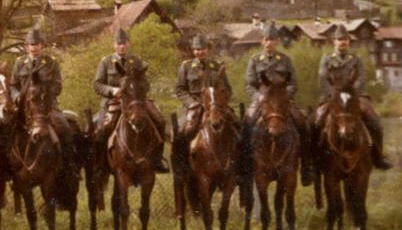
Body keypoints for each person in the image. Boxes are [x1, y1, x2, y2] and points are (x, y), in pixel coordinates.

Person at [245, 24, 313, 184]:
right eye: (266, 39)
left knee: (302, 122)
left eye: (273, 40)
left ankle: (306, 168)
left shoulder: (285, 60)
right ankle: (245, 168)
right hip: (261, 101)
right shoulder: (254, 60)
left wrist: (284, 96)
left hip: (282, 101)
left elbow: (293, 83)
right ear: (262, 41)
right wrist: (260, 97)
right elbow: (250, 84)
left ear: (277, 42)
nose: (269, 43)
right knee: (246, 124)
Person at [316, 24, 392, 170]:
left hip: (354, 97)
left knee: (373, 120)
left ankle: (378, 156)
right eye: (339, 39)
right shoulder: (326, 59)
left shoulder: (356, 59)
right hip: (332, 97)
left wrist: (352, 95)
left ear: (349, 41)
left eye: (345, 39)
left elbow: (362, 78)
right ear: (334, 42)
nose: (342, 42)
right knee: (316, 121)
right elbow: (323, 79)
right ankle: (315, 159)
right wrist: (334, 95)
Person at [93, 27, 169, 172]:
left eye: (124, 43)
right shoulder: (106, 62)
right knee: (101, 129)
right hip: (112, 102)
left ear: (128, 44)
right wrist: (112, 90)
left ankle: (157, 160)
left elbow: (145, 83)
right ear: (114, 45)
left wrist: (139, 90)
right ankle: (101, 163)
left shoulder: (136, 61)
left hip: (136, 102)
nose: (122, 46)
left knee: (160, 121)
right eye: (118, 43)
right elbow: (97, 84)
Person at [10, 28, 76, 178]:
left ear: (42, 45)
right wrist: (16, 97)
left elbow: (58, 86)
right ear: (27, 46)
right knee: (6, 127)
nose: (34, 47)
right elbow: (13, 85)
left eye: (37, 44)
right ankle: (8, 169)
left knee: (64, 127)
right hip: (24, 107)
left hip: (47, 106)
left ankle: (68, 166)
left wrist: (46, 94)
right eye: (31, 44)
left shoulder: (51, 63)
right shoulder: (20, 63)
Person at [174, 34, 232, 170]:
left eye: (203, 49)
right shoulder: (186, 67)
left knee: (236, 125)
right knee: (181, 131)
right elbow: (180, 89)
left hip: (216, 106)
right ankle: (181, 166)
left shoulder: (217, 66)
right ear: (193, 51)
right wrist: (191, 103)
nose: (200, 52)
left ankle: (236, 166)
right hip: (194, 105)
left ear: (208, 49)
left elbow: (228, 89)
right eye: (197, 49)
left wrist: (220, 103)